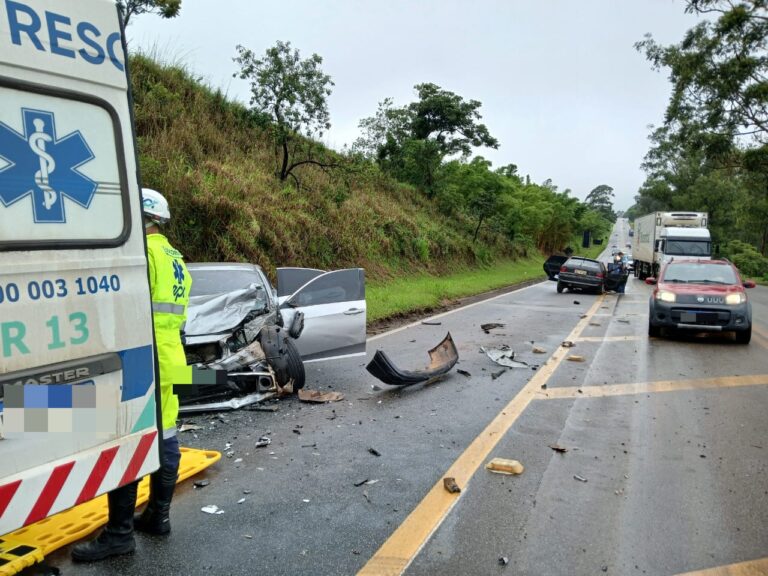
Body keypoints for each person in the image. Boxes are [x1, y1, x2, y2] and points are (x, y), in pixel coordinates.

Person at [72, 188, 192, 562]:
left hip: (144, 356)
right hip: (172, 356)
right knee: (167, 434)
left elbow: (124, 310)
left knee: (129, 437)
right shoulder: (175, 257)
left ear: (141, 219)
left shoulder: (141, 255)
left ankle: (120, 534)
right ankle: (158, 516)